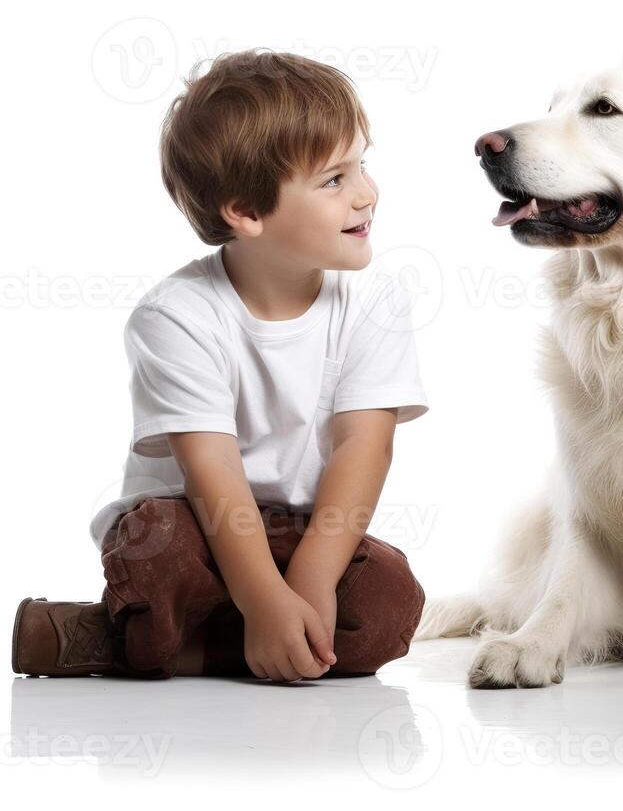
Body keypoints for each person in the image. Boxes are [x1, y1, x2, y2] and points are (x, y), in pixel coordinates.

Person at [12, 50, 429, 682]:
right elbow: (213, 471)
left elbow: (362, 449)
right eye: (334, 180)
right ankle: (201, 629)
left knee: (388, 604)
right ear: (248, 213)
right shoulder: (175, 316)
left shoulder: (375, 302)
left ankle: (139, 644)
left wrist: (312, 581)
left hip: (304, 529)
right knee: (162, 552)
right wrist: (263, 598)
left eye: (362, 165)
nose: (367, 194)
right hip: (196, 521)